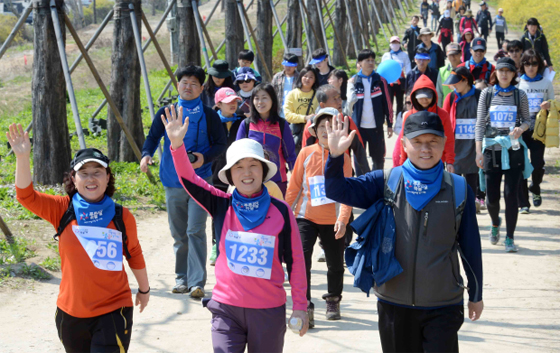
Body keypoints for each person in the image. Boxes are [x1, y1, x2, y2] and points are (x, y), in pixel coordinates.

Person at [324, 112, 484, 353]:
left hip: (443, 305)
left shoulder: (459, 188)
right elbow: (337, 190)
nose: (425, 149)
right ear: (404, 144)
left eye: (433, 141)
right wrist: (335, 156)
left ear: (444, 142)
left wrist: (476, 293)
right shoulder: (386, 181)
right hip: (394, 305)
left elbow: (471, 246)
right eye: (417, 141)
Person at [162, 109, 309, 351]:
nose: (247, 172)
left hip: (268, 310)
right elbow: (190, 179)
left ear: (264, 170)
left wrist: (301, 306)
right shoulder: (221, 204)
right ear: (230, 174)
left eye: (254, 165)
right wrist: (177, 145)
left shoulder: (281, 211)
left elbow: (296, 262)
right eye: (239, 167)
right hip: (225, 309)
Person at [7, 126, 150, 352]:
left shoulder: (122, 216)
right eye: (84, 173)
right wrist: (23, 157)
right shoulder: (62, 209)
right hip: (71, 313)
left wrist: (144, 290)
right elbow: (26, 196)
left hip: (114, 310)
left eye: (97, 172)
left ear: (108, 177)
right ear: (73, 178)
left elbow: (134, 254)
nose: (91, 179)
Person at [141, 64, 227, 297]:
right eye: (184, 83)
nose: (188, 87)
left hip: (200, 180)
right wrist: (146, 155)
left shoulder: (209, 115)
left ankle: (197, 282)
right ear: (178, 85)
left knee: (195, 230)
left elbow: (221, 143)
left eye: (193, 84)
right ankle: (181, 278)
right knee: (179, 233)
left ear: (201, 89)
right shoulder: (166, 112)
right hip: (172, 180)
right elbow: (152, 138)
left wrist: (204, 157)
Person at [286, 108, 353, 327]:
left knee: (335, 264)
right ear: (314, 130)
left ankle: (333, 299)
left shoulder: (343, 157)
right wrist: (285, 214)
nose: (326, 130)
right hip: (305, 217)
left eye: (331, 126)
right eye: (321, 126)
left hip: (333, 222)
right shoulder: (305, 153)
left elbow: (347, 192)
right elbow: (294, 186)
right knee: (301, 259)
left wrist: (343, 219)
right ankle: (305, 304)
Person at [475, 57, 532, 253]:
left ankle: (510, 237)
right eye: (501, 70)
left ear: (514, 74)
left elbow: (528, 120)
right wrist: (477, 151)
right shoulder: (487, 94)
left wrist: (521, 129)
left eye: (508, 70)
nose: (505, 74)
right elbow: (480, 124)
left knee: (511, 195)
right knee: (491, 198)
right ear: (495, 73)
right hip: (491, 151)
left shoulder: (520, 95)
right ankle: (495, 222)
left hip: (513, 151)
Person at [237, 83, 297, 197]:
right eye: (256, 98)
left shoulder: (282, 125)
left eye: (264, 98)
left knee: (277, 214)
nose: (260, 102)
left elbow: (291, 156)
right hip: (250, 182)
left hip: (278, 181)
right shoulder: (246, 124)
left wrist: (296, 181)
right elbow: (237, 155)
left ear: (272, 100)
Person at [517, 50, 555, 214]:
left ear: (539, 65)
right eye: (527, 63)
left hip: (539, 129)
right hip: (521, 129)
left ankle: (536, 186)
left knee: (537, 164)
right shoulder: (518, 83)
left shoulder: (546, 83)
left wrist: (549, 105)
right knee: (520, 166)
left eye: (534, 63)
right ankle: (524, 203)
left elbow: (554, 105)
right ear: (522, 65)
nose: (530, 67)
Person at [209, 87, 244, 265]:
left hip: (236, 174)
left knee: (237, 211)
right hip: (215, 174)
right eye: (228, 102)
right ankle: (216, 246)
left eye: (235, 101)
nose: (233, 104)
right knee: (217, 212)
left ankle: (234, 246)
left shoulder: (243, 122)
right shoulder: (211, 122)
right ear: (218, 104)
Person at [395, 74, 456, 172]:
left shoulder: (443, 114)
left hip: (436, 163)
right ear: (414, 97)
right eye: (421, 97)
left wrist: (450, 161)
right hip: (414, 163)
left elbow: (449, 139)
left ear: (434, 96)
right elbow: (405, 141)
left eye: (428, 97)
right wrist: (402, 162)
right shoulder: (408, 115)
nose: (424, 100)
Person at [442, 67, 482, 211]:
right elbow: (444, 122)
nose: (453, 86)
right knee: (454, 182)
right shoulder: (451, 98)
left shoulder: (479, 96)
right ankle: (456, 210)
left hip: (473, 146)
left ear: (465, 81)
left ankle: (470, 208)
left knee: (472, 179)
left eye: (456, 83)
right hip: (455, 147)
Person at [347, 49, 394, 171]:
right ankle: (362, 184)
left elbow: (388, 103)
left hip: (376, 128)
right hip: (359, 128)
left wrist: (389, 124)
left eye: (372, 60)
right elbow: (347, 106)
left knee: (378, 159)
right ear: (359, 63)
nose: (370, 62)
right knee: (359, 159)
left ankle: (376, 183)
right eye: (367, 60)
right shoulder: (353, 81)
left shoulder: (380, 81)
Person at [284, 65, 319, 154]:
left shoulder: (318, 95)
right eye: (305, 76)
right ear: (300, 77)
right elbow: (288, 115)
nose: (307, 79)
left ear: (315, 80)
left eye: (311, 77)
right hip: (297, 133)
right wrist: (305, 118)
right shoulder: (292, 94)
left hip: (314, 133)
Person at [382, 36, 412, 118]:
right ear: (390, 44)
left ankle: (398, 119)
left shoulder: (404, 55)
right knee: (389, 102)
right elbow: (382, 69)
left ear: (399, 44)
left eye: (396, 43)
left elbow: (408, 68)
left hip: (400, 82)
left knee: (400, 102)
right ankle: (389, 120)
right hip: (389, 83)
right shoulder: (386, 55)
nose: (395, 44)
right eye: (393, 43)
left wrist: (408, 81)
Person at [271, 53, 300, 117]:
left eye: (291, 66)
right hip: (279, 110)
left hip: (295, 111)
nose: (288, 68)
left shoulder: (300, 77)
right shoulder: (277, 77)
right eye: (286, 65)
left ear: (296, 66)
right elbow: (271, 92)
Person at [437, 43, 463, 107]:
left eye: (455, 54)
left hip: (463, 107)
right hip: (447, 108)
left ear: (460, 54)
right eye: (450, 55)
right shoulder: (442, 71)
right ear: (447, 55)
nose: (453, 57)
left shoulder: (467, 69)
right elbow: (439, 94)